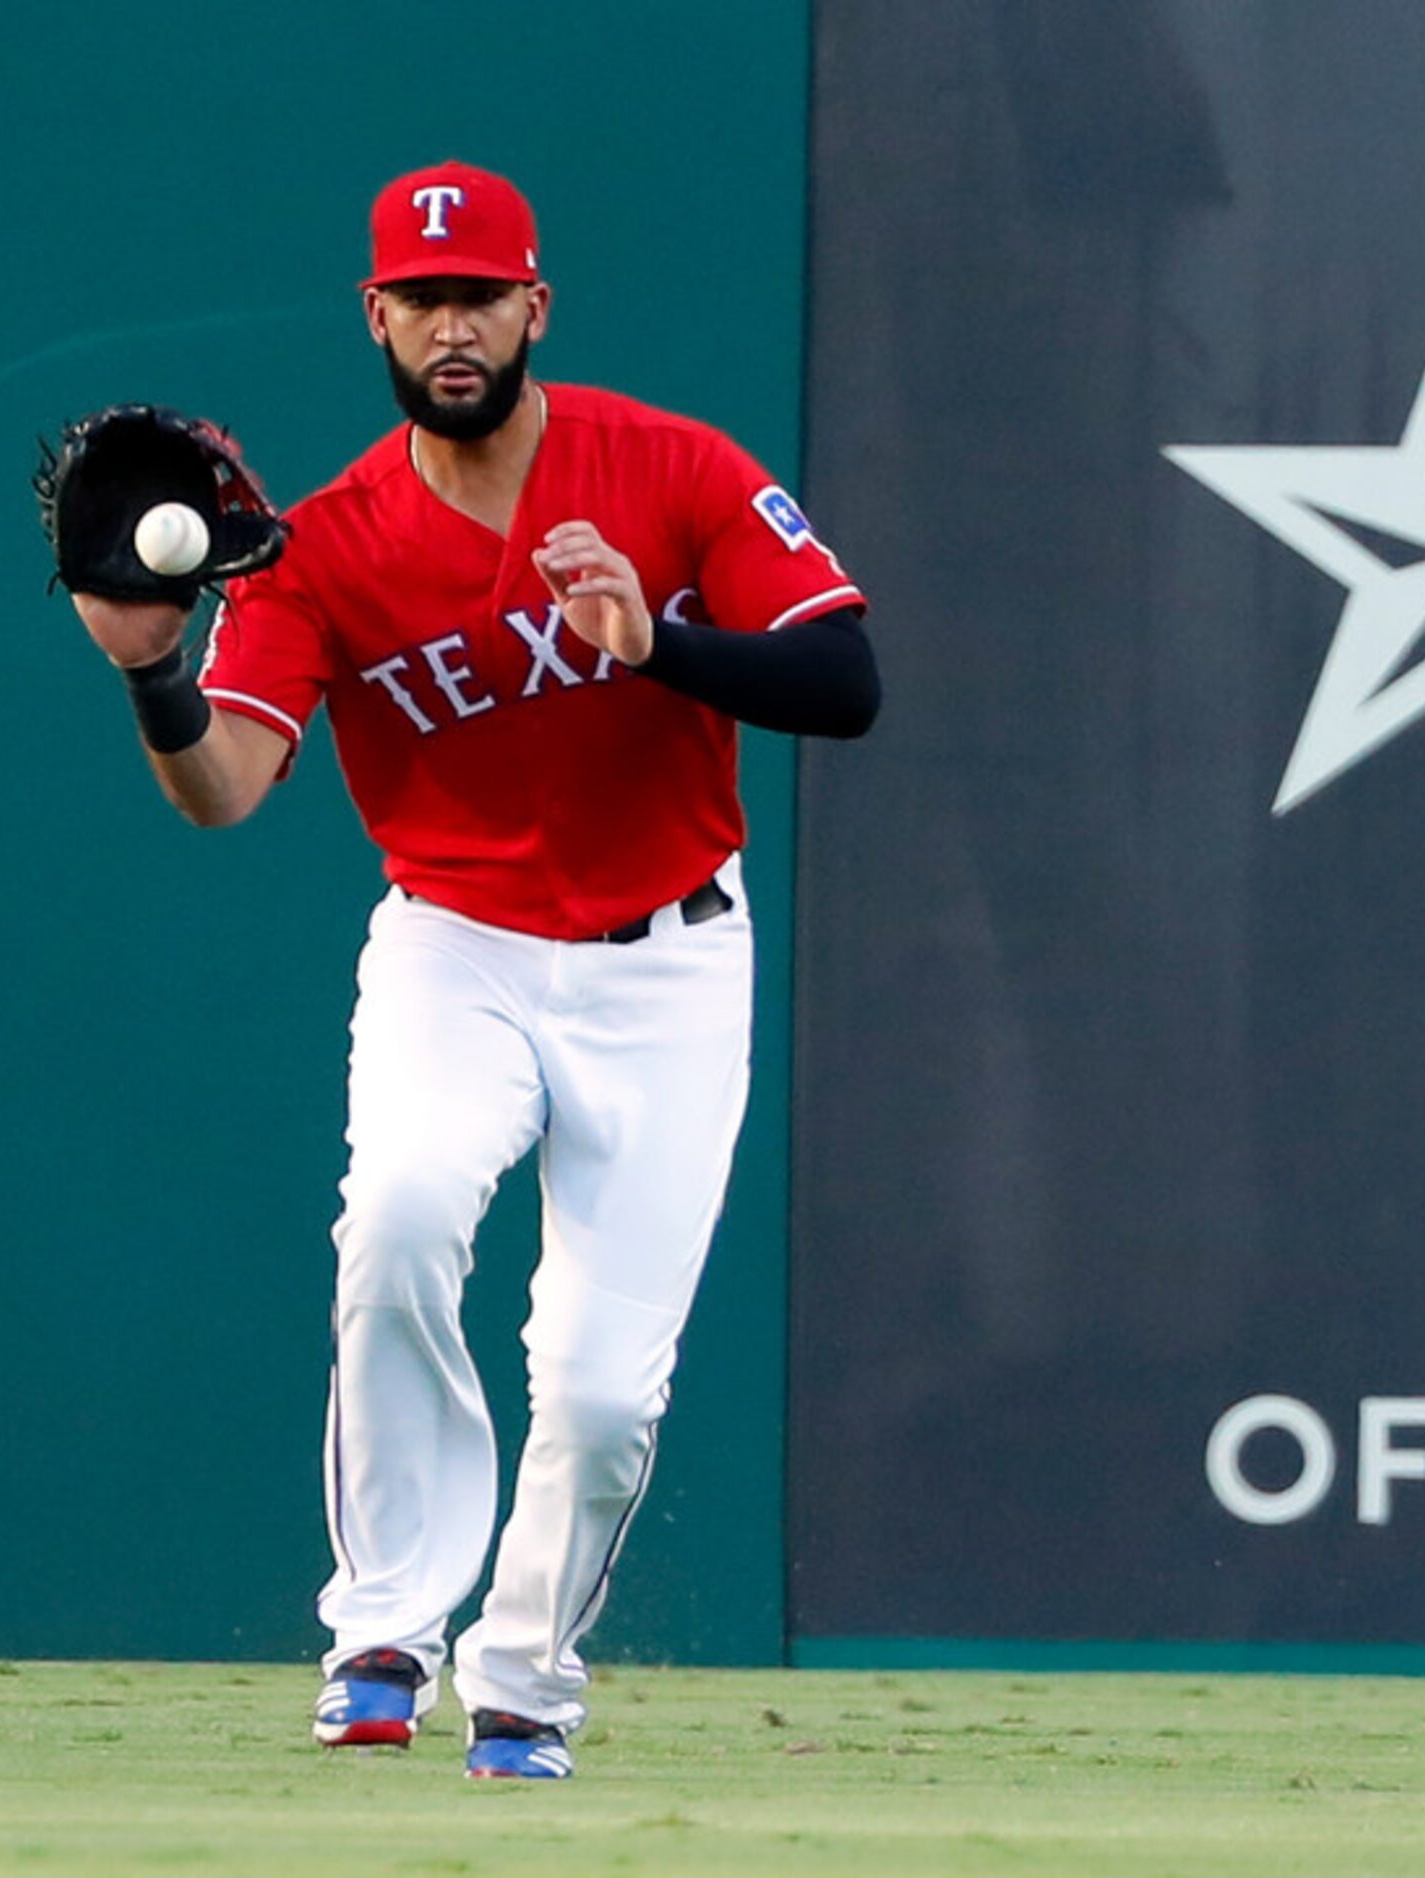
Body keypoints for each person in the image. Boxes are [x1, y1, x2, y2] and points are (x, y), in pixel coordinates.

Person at [67, 159, 880, 1780]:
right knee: (400, 1217)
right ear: (376, 315)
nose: (453, 324)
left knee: (598, 1390)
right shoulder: (329, 545)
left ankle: (523, 1675)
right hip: (461, 942)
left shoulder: (670, 466)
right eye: (422, 298)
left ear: (534, 309)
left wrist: (663, 645)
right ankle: (382, 1625)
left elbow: (845, 680)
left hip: (670, 960)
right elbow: (225, 785)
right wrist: (157, 675)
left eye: (480, 294)